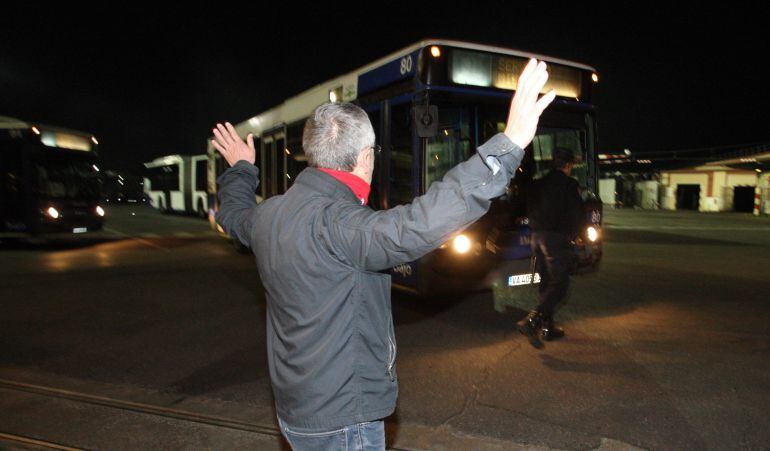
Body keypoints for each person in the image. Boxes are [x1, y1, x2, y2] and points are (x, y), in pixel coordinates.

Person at [211, 59, 556, 451]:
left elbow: (233, 212)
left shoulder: (270, 215)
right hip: (344, 420)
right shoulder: (341, 224)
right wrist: (508, 146)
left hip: (295, 412)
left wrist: (241, 168)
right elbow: (419, 224)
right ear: (364, 157)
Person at [517, 146, 584, 349]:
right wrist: (574, 237)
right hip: (556, 239)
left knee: (546, 283)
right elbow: (578, 214)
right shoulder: (570, 185)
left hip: (537, 238)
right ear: (568, 165)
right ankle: (532, 321)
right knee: (561, 284)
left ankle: (548, 328)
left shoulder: (538, 184)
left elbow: (526, 207)